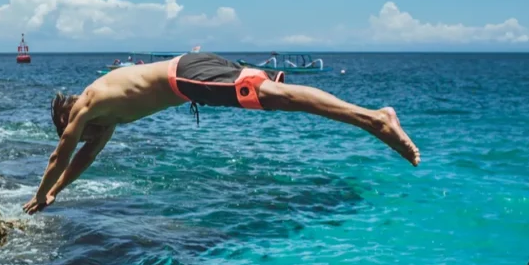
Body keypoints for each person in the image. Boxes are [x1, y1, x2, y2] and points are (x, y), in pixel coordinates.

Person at [23, 51, 419, 215]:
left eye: (80, 135)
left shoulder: (88, 107)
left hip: (187, 78)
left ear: (72, 124)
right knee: (279, 96)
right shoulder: (104, 117)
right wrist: (59, 191)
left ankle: (375, 119)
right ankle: (372, 118)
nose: (87, 141)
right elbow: (82, 159)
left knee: (279, 98)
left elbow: (64, 154)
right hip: (193, 72)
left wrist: (40, 193)